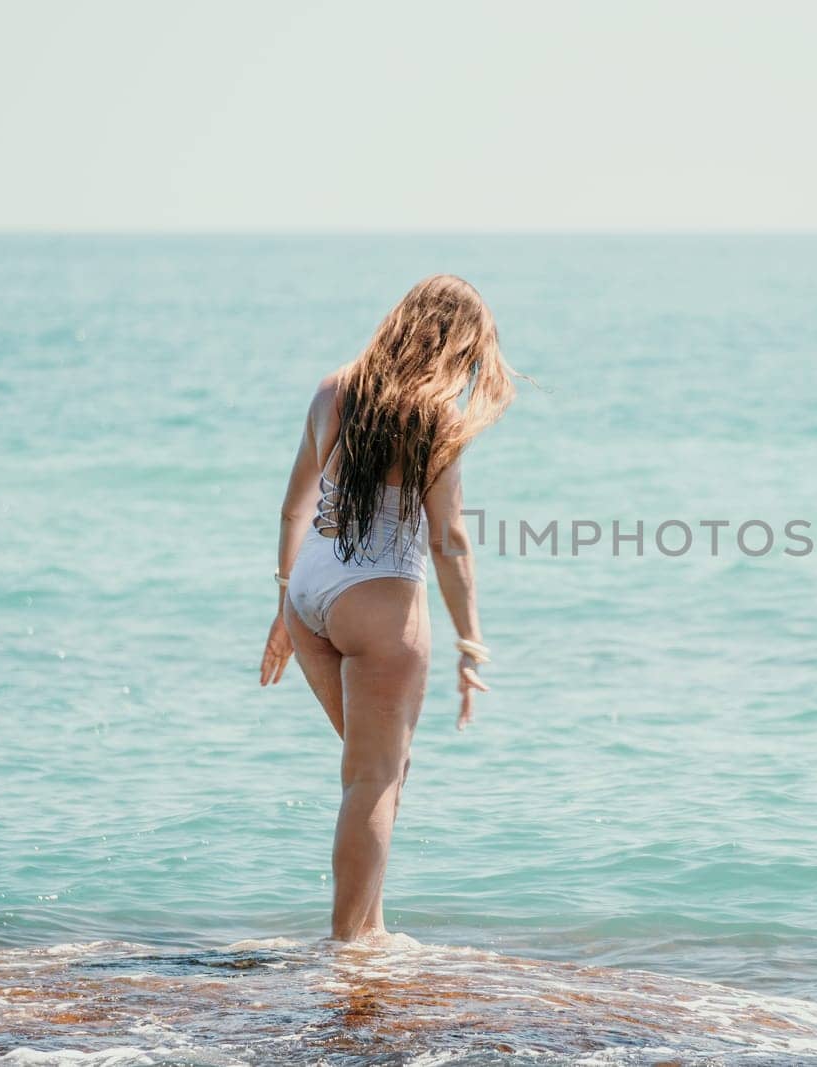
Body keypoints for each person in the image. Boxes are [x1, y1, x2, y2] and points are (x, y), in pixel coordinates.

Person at [257, 275, 517, 942]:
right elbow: (449, 539)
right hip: (379, 600)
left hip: (311, 593)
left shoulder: (332, 389)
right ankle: (352, 944)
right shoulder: (436, 420)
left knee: (376, 772)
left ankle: (368, 924)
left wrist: (285, 604)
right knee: (375, 776)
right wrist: (472, 642)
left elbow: (294, 505)